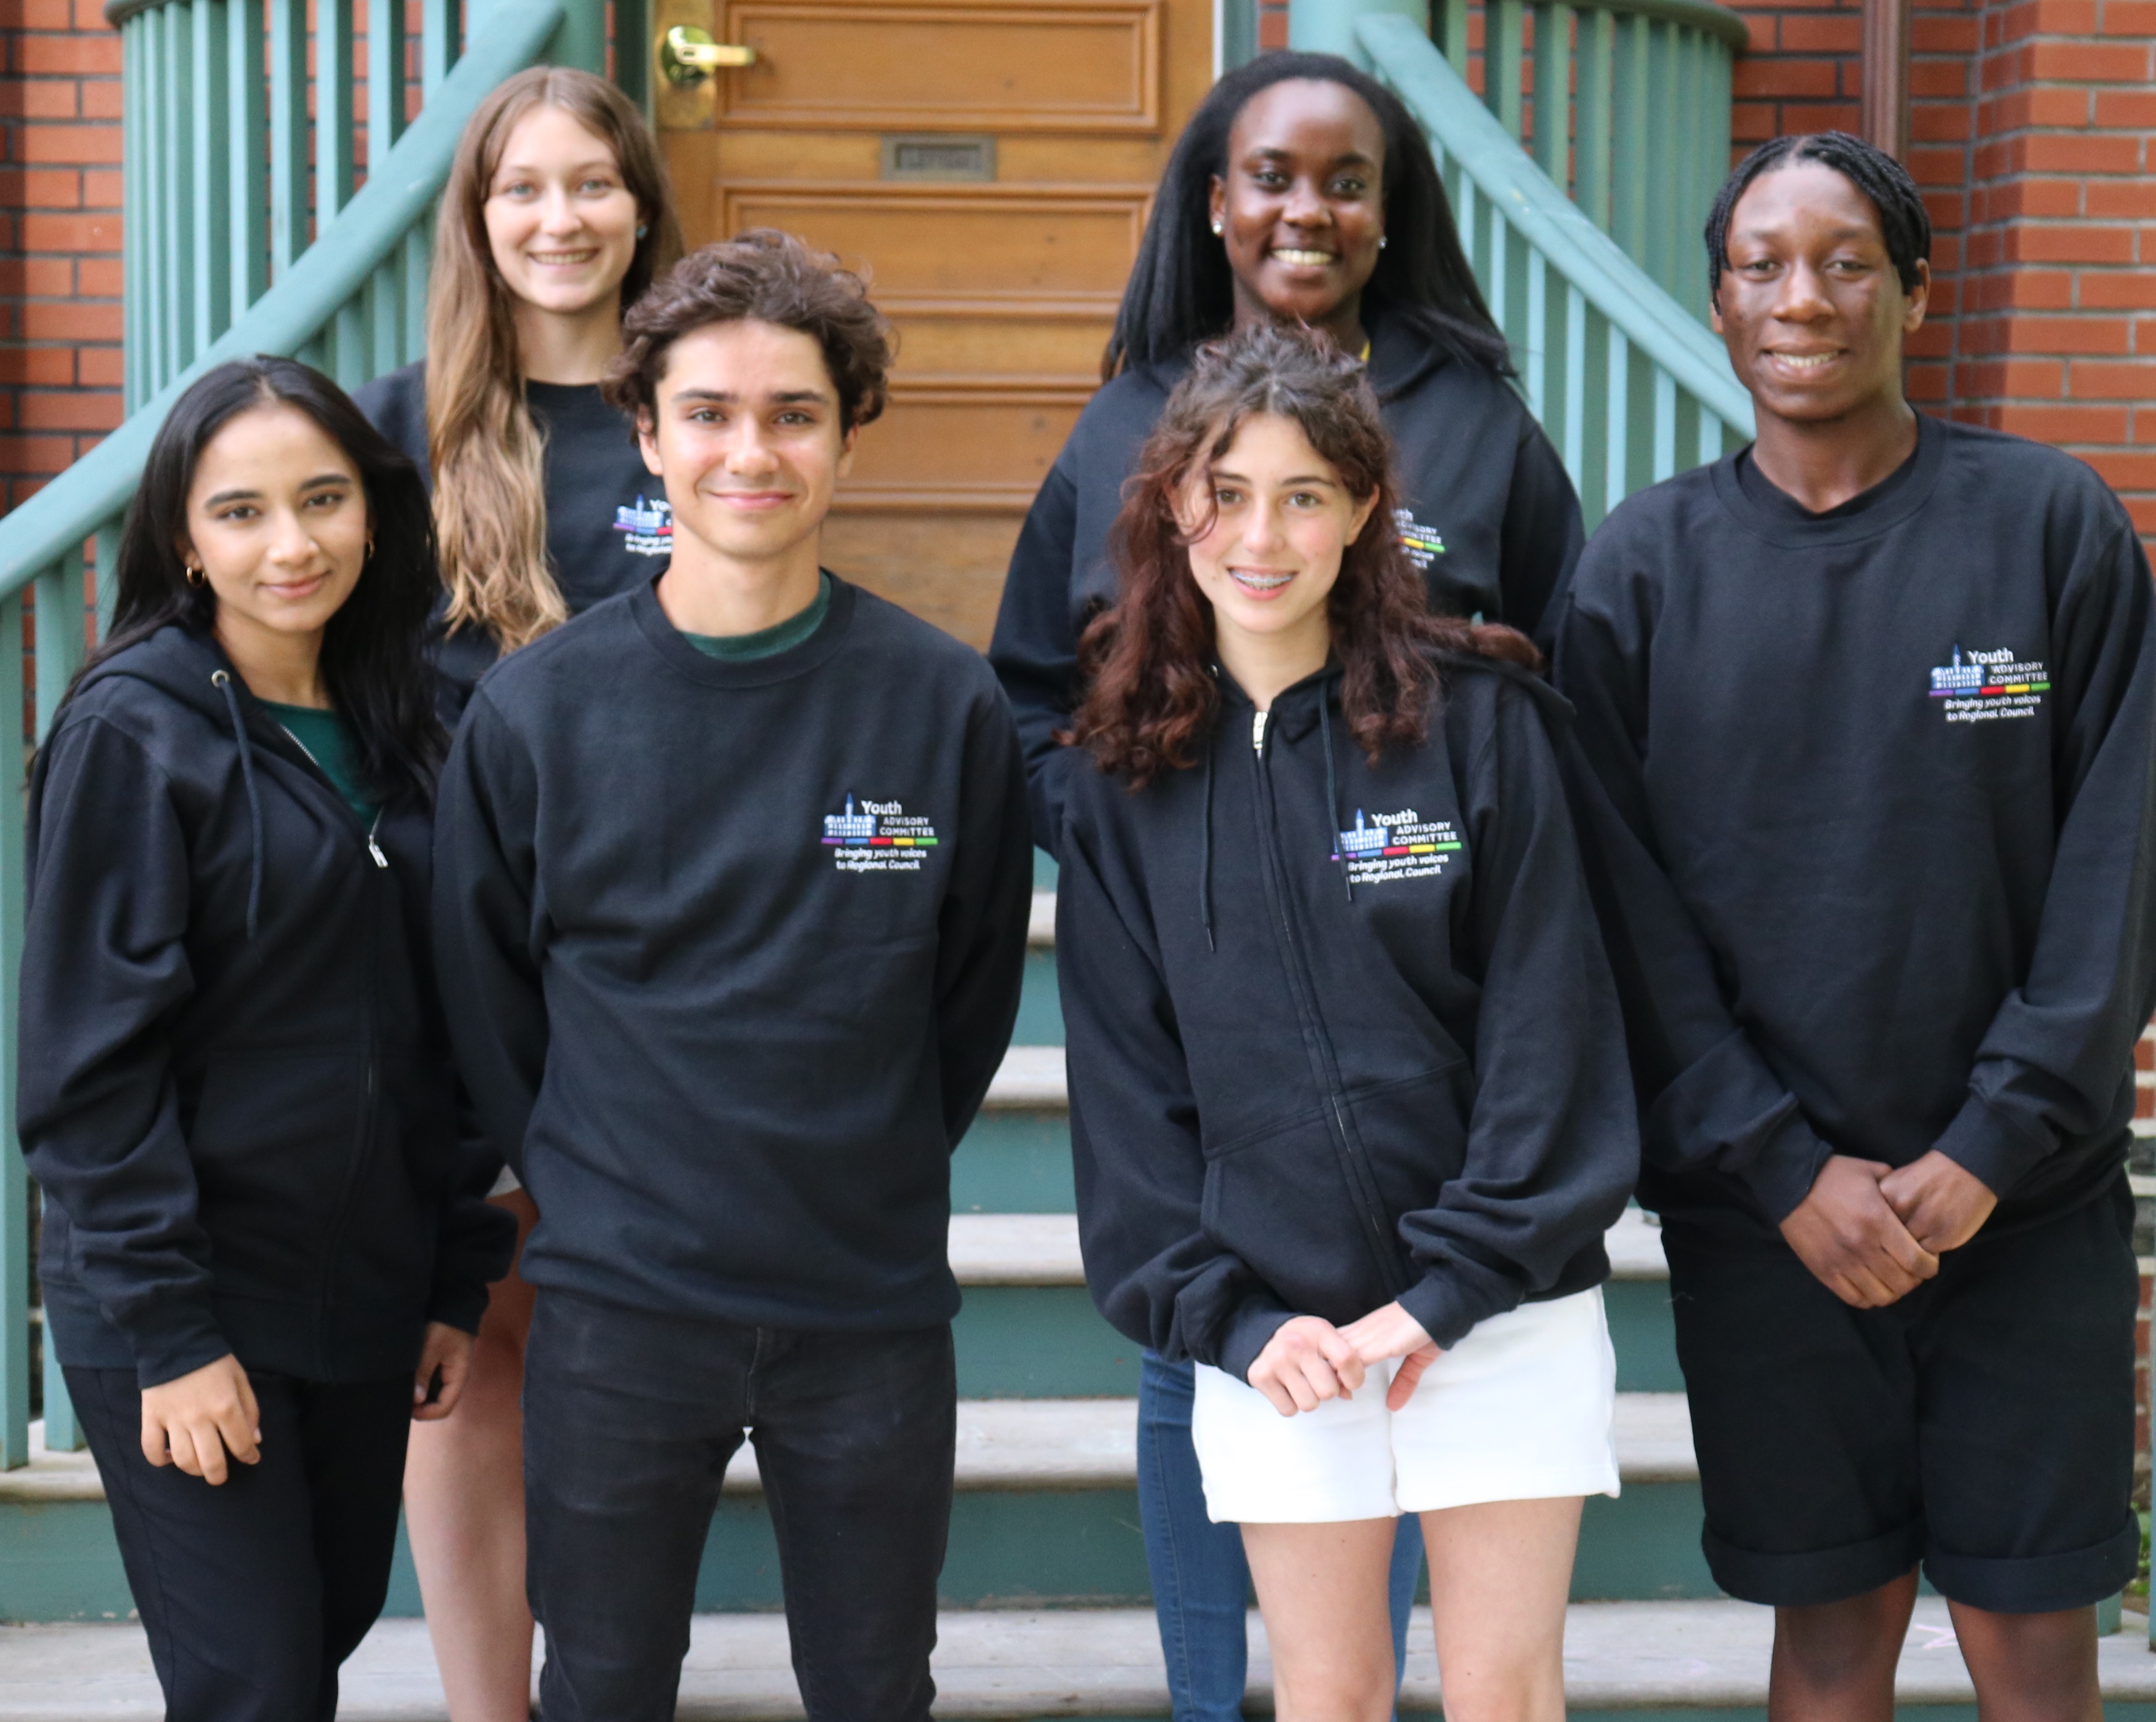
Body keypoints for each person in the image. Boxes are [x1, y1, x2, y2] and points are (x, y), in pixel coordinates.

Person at [988, 57, 1585, 1711]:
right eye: (1269, 175)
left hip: (1424, 1007)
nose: (1303, 208)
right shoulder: (1124, 419)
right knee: (1285, 1608)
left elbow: (1554, 673)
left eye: (1344, 179)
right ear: (1214, 198)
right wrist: (1160, 837)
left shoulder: (1479, 420)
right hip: (1229, 1062)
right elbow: (1032, 691)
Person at [1555, 132, 2156, 1722]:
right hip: (1770, 1227)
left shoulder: (2046, 528)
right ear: (1716, 300)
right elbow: (1623, 925)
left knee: (2032, 1633)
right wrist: (1779, 1169)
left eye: (1840, 262)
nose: (1798, 297)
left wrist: (1992, 1145)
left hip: (2024, 1210)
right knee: (1830, 1635)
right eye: (1760, 264)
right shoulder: (1636, 575)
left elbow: (2118, 869)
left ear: (1911, 291)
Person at [432, 230, 1034, 1722]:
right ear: (646, 433)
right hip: (620, 1305)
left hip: (866, 1307)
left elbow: (963, 1005)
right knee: (607, 1683)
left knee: (875, 1688)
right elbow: (488, 1009)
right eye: (706, 413)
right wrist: (595, 1181)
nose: (747, 452)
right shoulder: (538, 711)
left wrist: (861, 1168)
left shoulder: (941, 704)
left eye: (792, 414)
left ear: (846, 432)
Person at [1057, 323, 1637, 1722]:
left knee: (1504, 1690)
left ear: (1366, 509)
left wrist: (1451, 1288)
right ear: (1172, 508)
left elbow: (1548, 1028)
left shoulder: (1480, 724)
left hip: (1498, 1311)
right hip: (1285, 1340)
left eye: (1306, 494)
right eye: (1229, 493)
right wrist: (1239, 1322)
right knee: (1330, 1693)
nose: (1264, 534)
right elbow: (1130, 1103)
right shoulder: (1119, 786)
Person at [17, 355, 515, 1722]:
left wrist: (449, 1278)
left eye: (322, 500)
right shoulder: (135, 733)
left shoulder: (416, 728)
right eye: (241, 512)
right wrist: (170, 1335)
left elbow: (457, 1023)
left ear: (374, 512)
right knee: (255, 1683)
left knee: (323, 1634)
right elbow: (86, 1069)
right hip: (189, 1295)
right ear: (184, 534)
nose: (290, 545)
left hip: (362, 1290)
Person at [352, 67, 680, 1721]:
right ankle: (494, 1705)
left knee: (614, 1345)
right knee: (471, 1347)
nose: (559, 219)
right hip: (449, 955)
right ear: (478, 221)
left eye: (592, 184)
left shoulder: (698, 409)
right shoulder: (401, 431)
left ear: (640, 206)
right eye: (521, 189)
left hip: (654, 963)